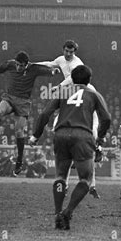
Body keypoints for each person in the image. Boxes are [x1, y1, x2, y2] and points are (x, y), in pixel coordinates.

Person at [28, 65, 111, 230]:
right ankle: (68, 212)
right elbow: (106, 118)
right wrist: (100, 138)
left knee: (60, 177)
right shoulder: (94, 95)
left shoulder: (63, 92)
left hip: (61, 134)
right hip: (83, 135)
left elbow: (45, 114)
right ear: (89, 80)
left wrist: (36, 135)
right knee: (85, 180)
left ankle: (58, 213)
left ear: (72, 79)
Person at [0, 50, 59, 176]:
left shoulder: (33, 68)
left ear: (26, 64)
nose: (19, 67)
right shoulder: (10, 64)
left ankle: (19, 160)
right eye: (17, 65)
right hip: (9, 97)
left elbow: (47, 70)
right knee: (0, 111)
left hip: (23, 102)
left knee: (19, 131)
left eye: (21, 66)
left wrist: (53, 72)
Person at [36, 39, 101, 198]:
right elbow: (50, 64)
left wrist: (59, 87)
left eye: (71, 52)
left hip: (82, 92)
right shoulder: (60, 59)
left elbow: (73, 78)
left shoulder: (77, 64)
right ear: (63, 49)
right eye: (66, 51)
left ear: (75, 52)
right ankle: (65, 184)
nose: (68, 54)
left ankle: (97, 148)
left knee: (91, 129)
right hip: (70, 93)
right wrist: (32, 65)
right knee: (61, 125)